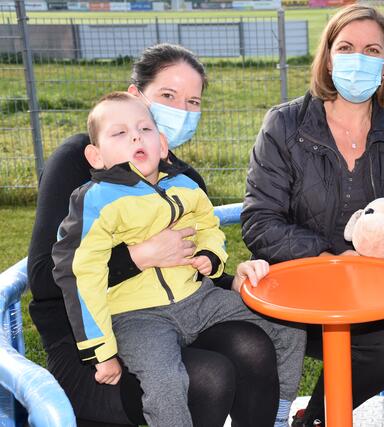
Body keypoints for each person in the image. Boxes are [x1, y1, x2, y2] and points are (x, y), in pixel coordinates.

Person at [240, 5, 384, 426]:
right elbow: (260, 223)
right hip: (305, 287)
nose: (358, 59)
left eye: (371, 50)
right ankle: (317, 419)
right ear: (329, 58)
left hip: (379, 285)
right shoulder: (284, 125)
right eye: (346, 48)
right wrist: (333, 257)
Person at [27, 43, 282, 427]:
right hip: (88, 339)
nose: (180, 110)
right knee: (210, 377)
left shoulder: (183, 180)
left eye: (192, 101)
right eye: (167, 96)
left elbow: (186, 258)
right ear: (136, 96)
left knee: (255, 345)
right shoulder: (79, 162)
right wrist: (138, 256)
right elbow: (44, 277)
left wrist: (229, 278)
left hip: (176, 313)